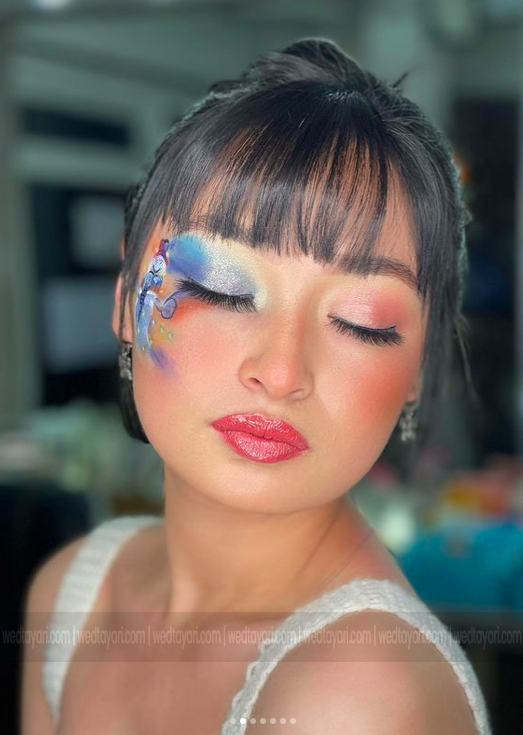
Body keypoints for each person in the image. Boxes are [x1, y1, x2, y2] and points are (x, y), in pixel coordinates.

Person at [21, 38, 492, 734]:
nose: (280, 372)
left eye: (360, 322)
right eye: (220, 288)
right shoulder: (69, 593)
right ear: (126, 296)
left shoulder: (357, 698)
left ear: (420, 372)